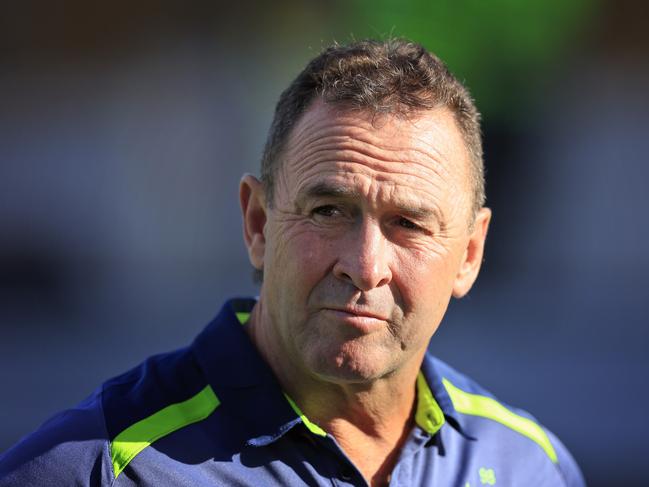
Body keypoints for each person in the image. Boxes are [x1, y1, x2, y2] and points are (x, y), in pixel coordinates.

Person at [0, 38, 585, 487]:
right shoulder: (94, 469)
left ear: (470, 254)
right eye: (329, 211)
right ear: (258, 223)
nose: (365, 265)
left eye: (408, 223)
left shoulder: (528, 464)